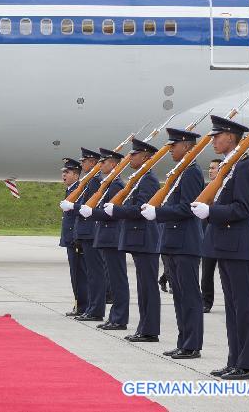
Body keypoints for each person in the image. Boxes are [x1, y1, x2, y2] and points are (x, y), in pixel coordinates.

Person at [191, 115, 249, 380]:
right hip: (225, 245)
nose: (213, 141)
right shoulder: (228, 167)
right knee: (232, 307)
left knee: (243, 306)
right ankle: (235, 360)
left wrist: (210, 210)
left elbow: (243, 208)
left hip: (238, 245)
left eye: (216, 136)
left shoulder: (243, 167)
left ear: (230, 137)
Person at [144, 127, 205, 360]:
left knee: (189, 296)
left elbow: (187, 208)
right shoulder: (180, 172)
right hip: (172, 242)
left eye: (174, 145)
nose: (170, 149)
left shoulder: (191, 173)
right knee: (179, 296)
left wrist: (158, 213)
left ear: (187, 146)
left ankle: (192, 344)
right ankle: (183, 342)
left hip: (185, 243)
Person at [111, 139, 162, 344]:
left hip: (146, 239)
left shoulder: (148, 179)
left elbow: (142, 208)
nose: (130, 157)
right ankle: (144, 328)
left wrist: (117, 210)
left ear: (146, 157)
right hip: (138, 239)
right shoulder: (140, 178)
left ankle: (149, 330)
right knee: (143, 287)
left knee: (148, 287)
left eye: (135, 154)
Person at [81, 148, 127, 329]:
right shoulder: (108, 183)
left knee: (117, 280)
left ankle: (119, 318)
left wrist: (92, 213)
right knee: (113, 280)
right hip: (106, 235)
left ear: (114, 164)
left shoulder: (116, 185)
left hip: (113, 235)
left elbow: (113, 212)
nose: (101, 165)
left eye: (105, 162)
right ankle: (115, 317)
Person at [60, 148, 104, 321]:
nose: (64, 174)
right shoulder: (80, 186)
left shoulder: (89, 183)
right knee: (79, 274)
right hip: (77, 235)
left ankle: (89, 307)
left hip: (83, 235)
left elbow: (85, 210)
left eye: (68, 172)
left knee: (88, 274)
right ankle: (83, 306)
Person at [59, 158, 87, 317]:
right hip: (71, 237)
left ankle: (83, 306)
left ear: (76, 175)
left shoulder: (79, 189)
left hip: (75, 238)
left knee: (79, 273)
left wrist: (75, 236)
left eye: (67, 172)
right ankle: (79, 305)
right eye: (63, 172)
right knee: (75, 273)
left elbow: (79, 213)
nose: (64, 175)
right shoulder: (71, 189)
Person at [201, 158, 222, 313]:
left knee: (226, 271)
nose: (210, 170)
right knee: (206, 271)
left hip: (223, 234)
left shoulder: (226, 187)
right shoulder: (207, 187)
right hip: (209, 234)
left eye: (213, 168)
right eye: (209, 167)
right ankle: (206, 301)